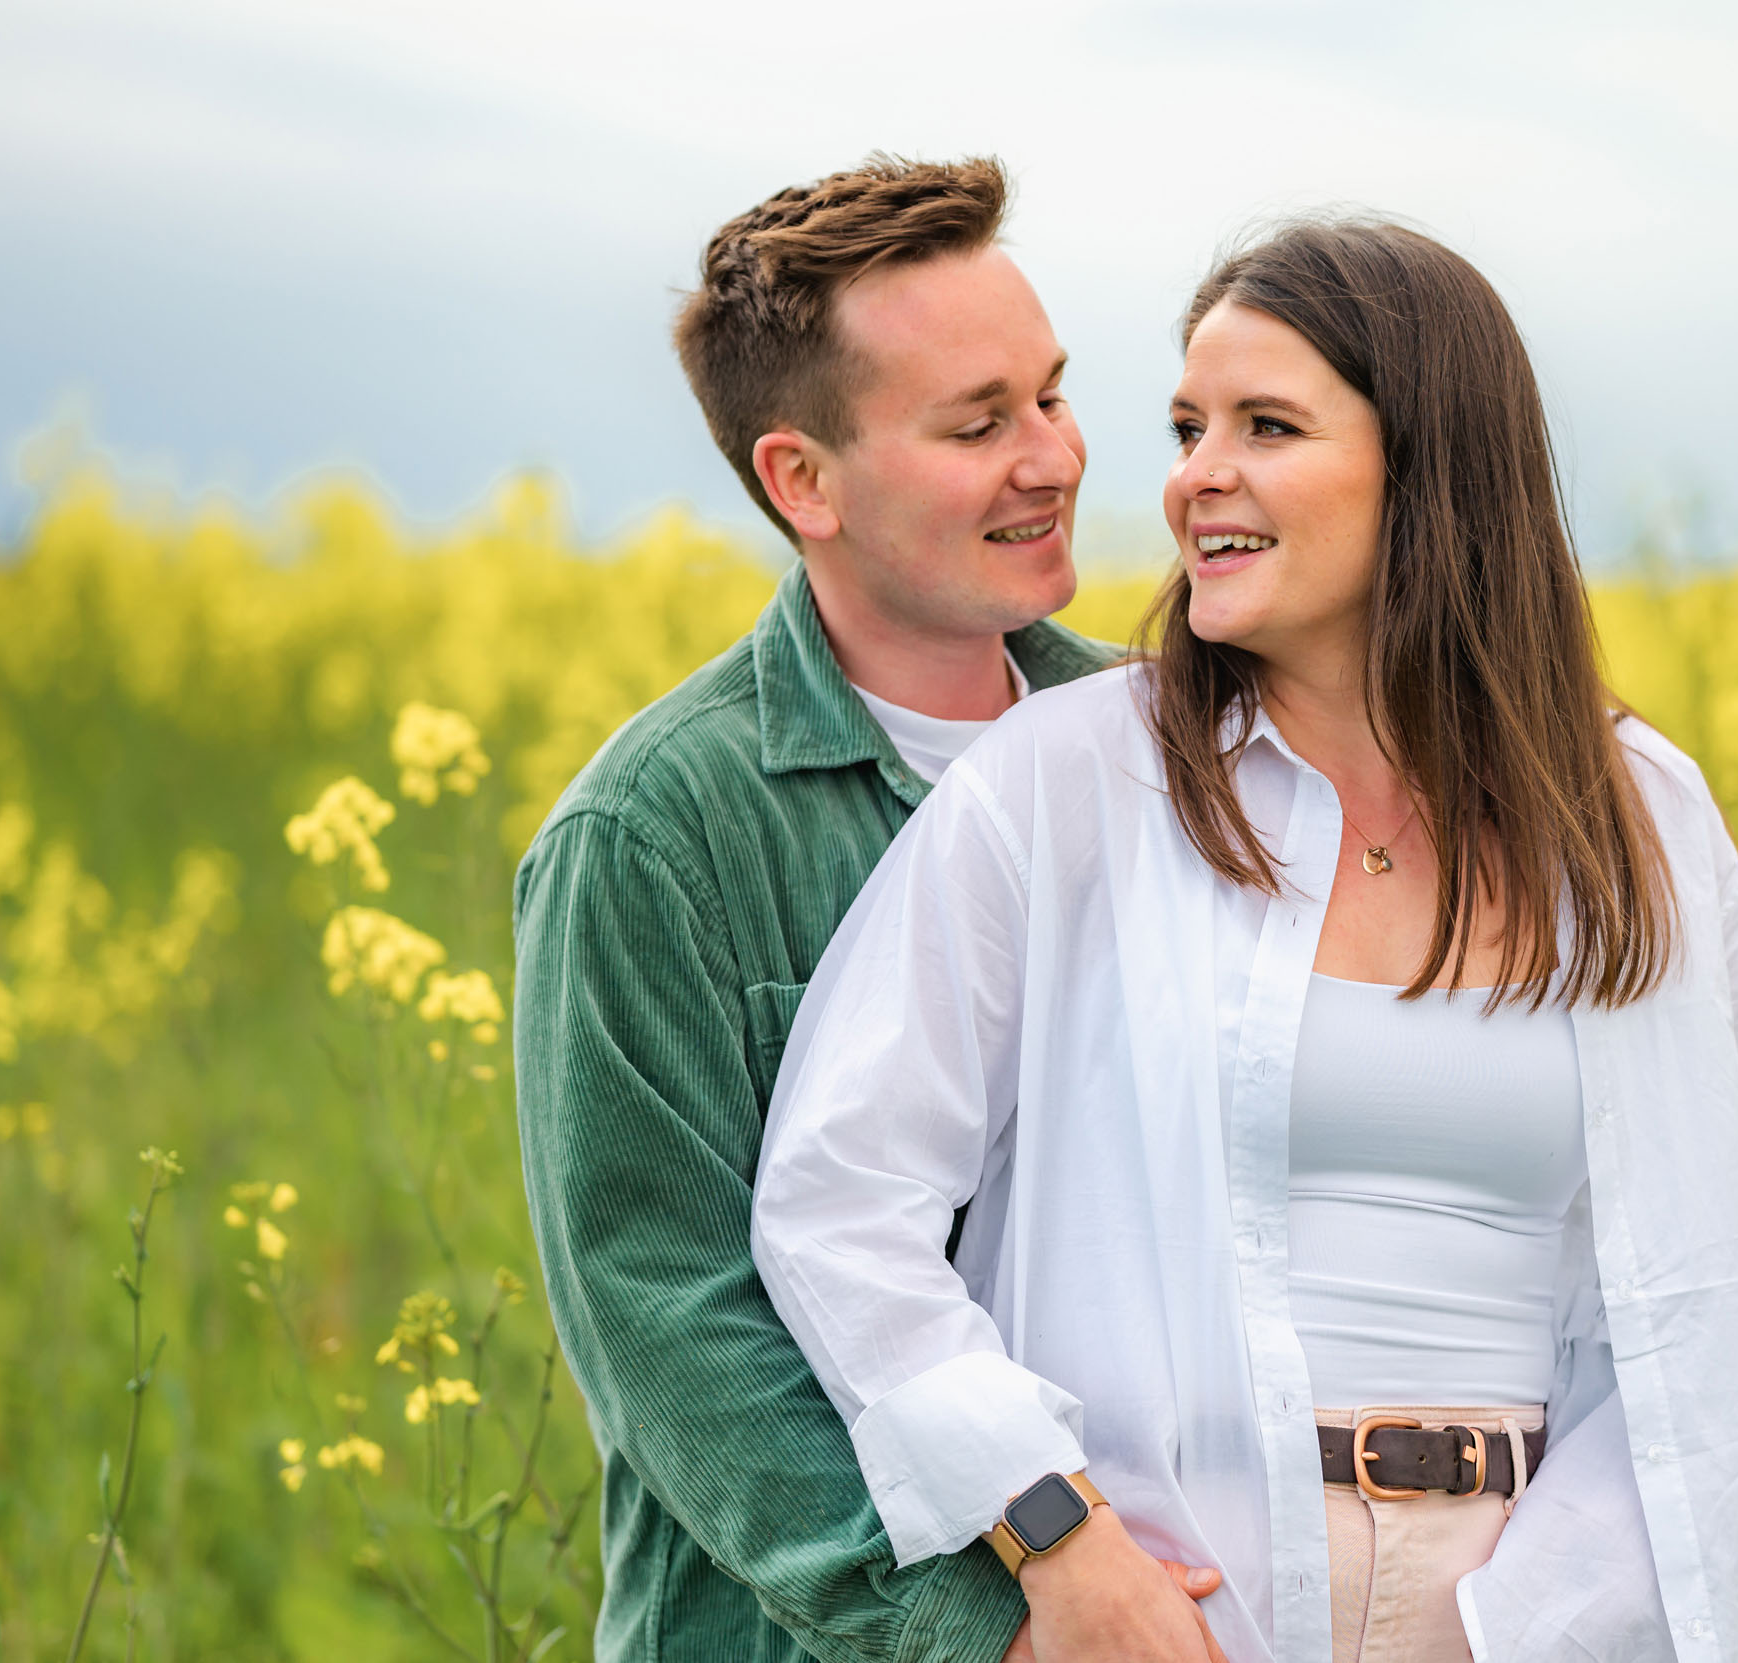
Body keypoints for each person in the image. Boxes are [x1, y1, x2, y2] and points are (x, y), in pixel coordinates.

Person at [751, 218, 1738, 1663]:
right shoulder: (1068, 782)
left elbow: (1711, 1292)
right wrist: (1050, 1534)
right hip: (1169, 1607)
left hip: (1523, 1610)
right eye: (1186, 426)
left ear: (1429, 464)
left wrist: (1522, 1633)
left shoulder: (1639, 820)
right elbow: (838, 1196)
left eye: (1266, 426)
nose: (1192, 478)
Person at [512, 155, 1223, 1663]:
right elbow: (673, 1328)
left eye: (1051, 394)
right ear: (803, 481)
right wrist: (992, 1623)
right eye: (978, 425)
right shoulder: (650, 839)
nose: (1055, 457)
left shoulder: (1183, 752)